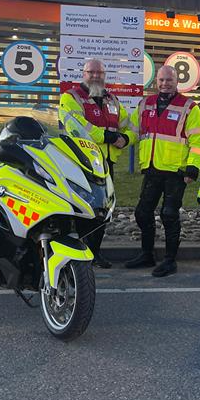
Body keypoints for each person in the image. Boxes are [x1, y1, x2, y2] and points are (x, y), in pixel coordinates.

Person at [125, 65, 200, 277]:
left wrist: (193, 167)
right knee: (142, 213)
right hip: (152, 169)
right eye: (161, 80)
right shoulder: (146, 104)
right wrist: (121, 139)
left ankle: (170, 261)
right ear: (156, 81)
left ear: (176, 81)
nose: (164, 83)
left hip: (176, 172)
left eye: (169, 80)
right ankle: (147, 254)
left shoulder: (189, 107)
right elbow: (134, 131)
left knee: (169, 215)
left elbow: (198, 141)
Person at [59, 58, 135, 269]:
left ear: (104, 75)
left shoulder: (112, 100)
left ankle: (95, 253)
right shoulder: (71, 97)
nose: (95, 76)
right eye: (91, 72)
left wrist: (126, 138)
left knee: (102, 210)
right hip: (80, 163)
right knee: (81, 209)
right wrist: (110, 136)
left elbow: (128, 125)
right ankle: (77, 253)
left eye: (99, 73)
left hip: (105, 166)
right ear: (83, 73)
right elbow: (77, 126)